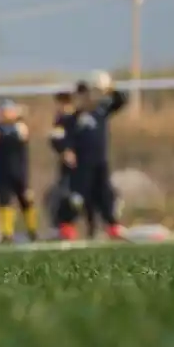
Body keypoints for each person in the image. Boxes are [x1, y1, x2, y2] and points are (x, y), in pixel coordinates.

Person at [62, 74, 128, 240]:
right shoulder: (73, 118)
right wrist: (67, 150)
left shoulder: (101, 111)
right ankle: (67, 226)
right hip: (82, 164)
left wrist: (110, 88)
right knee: (78, 197)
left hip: (100, 162)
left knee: (105, 194)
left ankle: (112, 226)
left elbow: (122, 100)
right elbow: (65, 138)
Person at [0, 99, 38, 241]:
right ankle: (7, 233)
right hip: (1, 171)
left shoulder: (20, 127)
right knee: (4, 201)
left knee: (26, 200)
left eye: (8, 111)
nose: (5, 114)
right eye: (3, 111)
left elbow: (22, 140)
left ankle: (32, 230)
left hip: (19, 170)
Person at [47, 90, 83, 241]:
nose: (63, 106)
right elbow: (55, 140)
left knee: (84, 195)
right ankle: (65, 227)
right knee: (64, 195)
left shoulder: (80, 119)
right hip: (67, 167)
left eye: (66, 103)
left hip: (84, 164)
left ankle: (93, 226)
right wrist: (64, 152)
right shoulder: (59, 121)